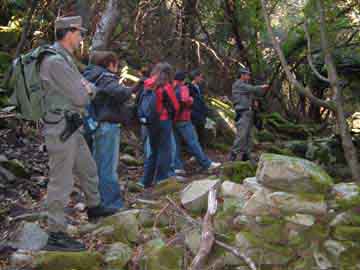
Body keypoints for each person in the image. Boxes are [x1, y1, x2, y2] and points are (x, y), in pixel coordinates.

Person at [39, 16, 115, 251]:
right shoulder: (55, 62)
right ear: (69, 32)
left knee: (88, 167)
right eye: (79, 33)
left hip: (71, 125)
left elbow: (83, 85)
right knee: (61, 181)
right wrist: (88, 90)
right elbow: (82, 95)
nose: (82, 37)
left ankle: (94, 207)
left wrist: (86, 88)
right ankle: (56, 234)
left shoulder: (64, 59)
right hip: (61, 128)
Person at [82, 51, 134, 210]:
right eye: (116, 64)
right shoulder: (105, 77)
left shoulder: (92, 76)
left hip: (97, 125)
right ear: (110, 63)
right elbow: (120, 93)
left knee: (99, 166)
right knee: (108, 168)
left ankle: (98, 202)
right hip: (107, 126)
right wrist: (135, 88)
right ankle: (112, 204)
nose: (117, 68)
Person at [140, 62, 180, 188]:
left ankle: (145, 181)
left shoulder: (147, 84)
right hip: (163, 120)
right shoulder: (166, 86)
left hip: (150, 122)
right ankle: (161, 179)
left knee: (153, 151)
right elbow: (175, 106)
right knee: (165, 151)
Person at [173, 71, 221, 172]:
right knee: (193, 142)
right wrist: (191, 100)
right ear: (183, 79)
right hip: (184, 119)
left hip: (173, 120)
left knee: (176, 144)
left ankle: (177, 167)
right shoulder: (183, 88)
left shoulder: (172, 87)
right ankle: (207, 164)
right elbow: (185, 99)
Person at [229, 67, 269, 162]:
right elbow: (252, 89)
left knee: (249, 136)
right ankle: (233, 155)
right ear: (242, 75)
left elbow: (250, 94)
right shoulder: (239, 84)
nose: (249, 76)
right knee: (241, 135)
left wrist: (254, 102)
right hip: (242, 113)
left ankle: (246, 156)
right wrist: (262, 87)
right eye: (247, 74)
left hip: (248, 112)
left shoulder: (244, 84)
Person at [187, 69, 210, 147]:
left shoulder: (199, 87)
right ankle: (195, 154)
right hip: (194, 115)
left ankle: (201, 154)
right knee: (195, 135)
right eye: (200, 77)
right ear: (195, 77)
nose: (201, 79)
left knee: (201, 134)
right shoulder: (189, 87)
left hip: (200, 114)